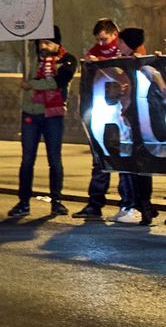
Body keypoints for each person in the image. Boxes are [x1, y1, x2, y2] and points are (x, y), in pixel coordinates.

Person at [10, 28, 77, 219]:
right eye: (41, 42)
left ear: (57, 44)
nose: (43, 46)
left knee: (54, 159)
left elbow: (59, 81)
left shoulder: (67, 60)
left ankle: (56, 201)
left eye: (48, 42)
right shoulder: (31, 60)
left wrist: (32, 84)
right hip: (30, 114)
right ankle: (23, 202)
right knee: (27, 160)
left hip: (52, 116)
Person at [75, 19, 129, 219]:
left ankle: (127, 204)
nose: (101, 43)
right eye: (98, 40)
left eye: (104, 39)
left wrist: (101, 65)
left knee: (124, 159)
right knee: (99, 159)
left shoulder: (123, 50)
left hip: (122, 114)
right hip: (101, 112)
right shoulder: (93, 54)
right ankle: (95, 204)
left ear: (114, 34)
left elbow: (125, 74)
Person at [110, 27, 158, 225]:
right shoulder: (123, 64)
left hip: (142, 122)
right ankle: (142, 205)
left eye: (121, 42)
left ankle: (144, 205)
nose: (118, 45)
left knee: (140, 166)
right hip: (127, 120)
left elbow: (159, 88)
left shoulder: (144, 65)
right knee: (131, 166)